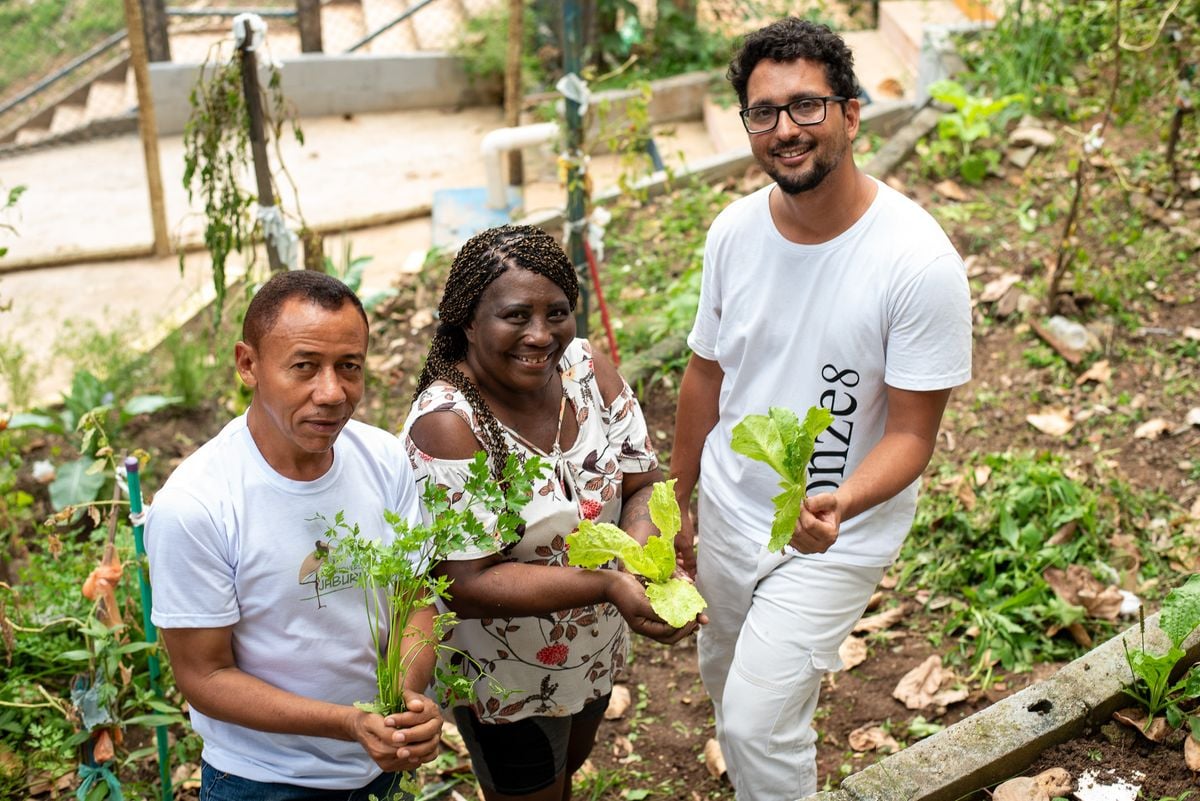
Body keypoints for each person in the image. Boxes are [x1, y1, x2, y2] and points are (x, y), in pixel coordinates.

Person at [669, 18, 973, 801]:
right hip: (733, 509)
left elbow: (911, 433)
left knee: (754, 722)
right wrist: (674, 495)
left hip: (836, 531)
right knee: (727, 678)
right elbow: (705, 374)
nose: (785, 130)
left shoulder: (916, 261)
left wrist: (842, 500)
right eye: (763, 112)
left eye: (806, 106)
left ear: (851, 112)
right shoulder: (733, 232)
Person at [402, 224, 698, 801]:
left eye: (557, 313)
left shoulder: (588, 371)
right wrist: (612, 585)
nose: (541, 335)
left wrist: (643, 564)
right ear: (466, 320)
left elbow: (642, 484)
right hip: (503, 675)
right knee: (534, 785)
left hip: (594, 646)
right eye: (515, 316)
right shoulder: (448, 424)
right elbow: (467, 583)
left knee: (568, 767)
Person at [146, 271, 443, 801]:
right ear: (248, 365)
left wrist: (406, 693)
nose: (331, 393)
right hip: (262, 781)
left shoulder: (383, 459)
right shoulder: (196, 505)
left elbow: (415, 600)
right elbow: (205, 676)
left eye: (349, 367)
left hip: (379, 769)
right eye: (304, 366)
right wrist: (350, 723)